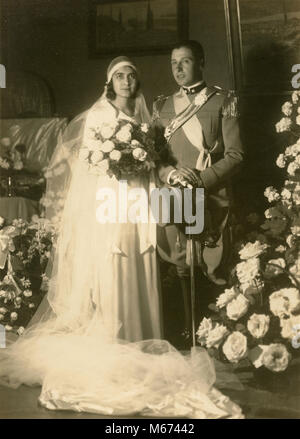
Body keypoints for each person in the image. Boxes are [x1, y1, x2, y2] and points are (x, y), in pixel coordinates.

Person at [0, 56, 243, 418]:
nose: (126, 81)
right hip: (110, 205)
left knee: (143, 260)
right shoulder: (99, 114)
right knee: (115, 268)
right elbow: (91, 164)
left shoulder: (148, 115)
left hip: (141, 201)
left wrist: (168, 174)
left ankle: (143, 344)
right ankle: (115, 345)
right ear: (109, 82)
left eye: (131, 75)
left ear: (137, 81)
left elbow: (159, 161)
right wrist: (120, 163)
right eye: (119, 76)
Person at [153, 41, 245, 342]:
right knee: (179, 264)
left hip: (209, 196)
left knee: (211, 267)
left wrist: (201, 179)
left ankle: (213, 339)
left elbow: (235, 155)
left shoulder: (223, 100)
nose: (178, 68)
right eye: (173, 62)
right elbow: (155, 157)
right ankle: (186, 333)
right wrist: (169, 174)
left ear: (201, 62)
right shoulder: (161, 106)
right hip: (172, 195)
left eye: (186, 61)